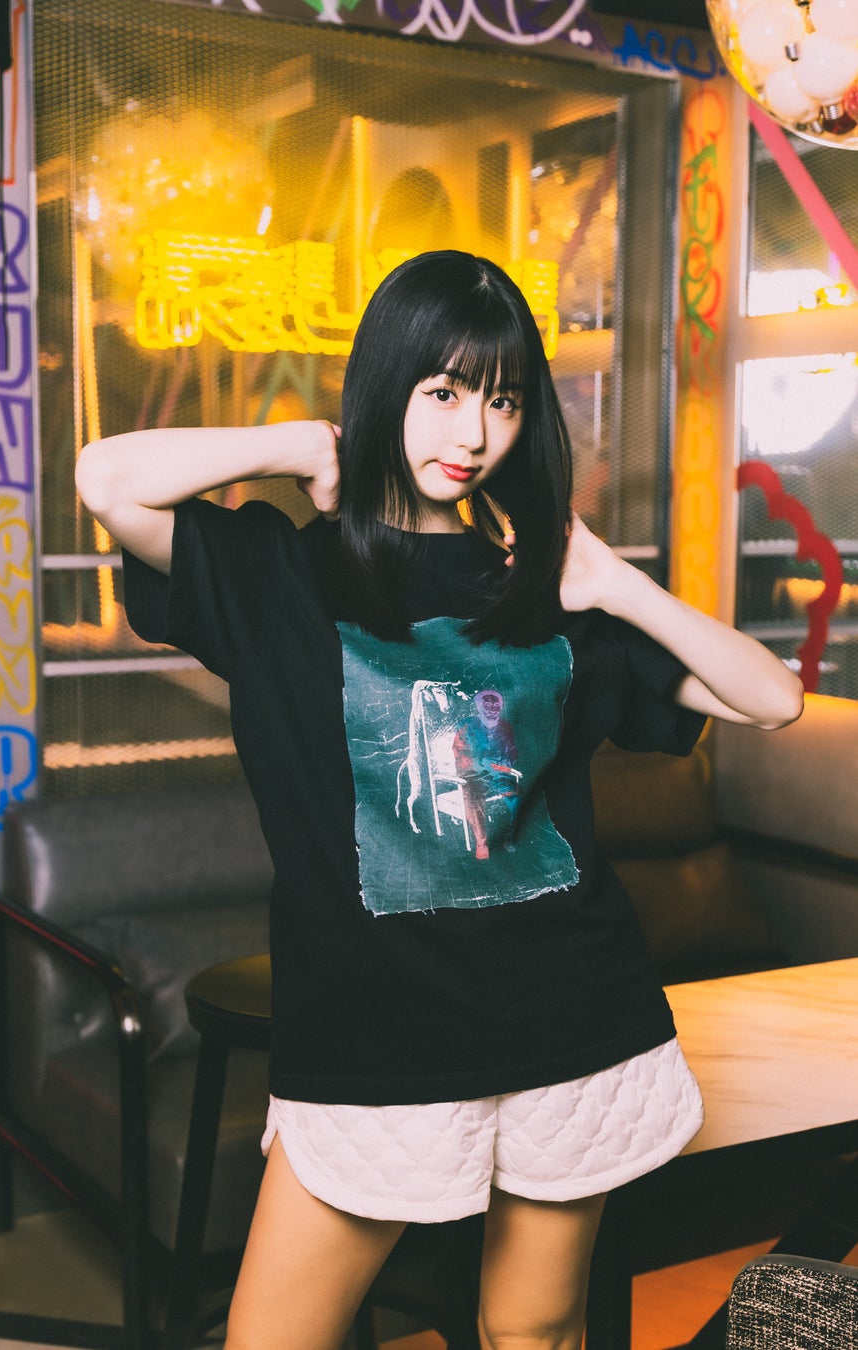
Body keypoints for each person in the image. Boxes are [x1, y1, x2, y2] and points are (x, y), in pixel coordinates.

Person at [76, 250, 803, 1350]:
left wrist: (614, 583)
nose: (474, 435)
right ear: (388, 385)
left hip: (569, 1022)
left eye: (503, 402)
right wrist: (300, 447)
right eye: (445, 392)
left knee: (532, 1331)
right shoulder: (284, 576)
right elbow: (106, 479)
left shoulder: (549, 592)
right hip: (371, 1042)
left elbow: (773, 698)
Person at [452, 688, 521, 859]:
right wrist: (481, 762)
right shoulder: (466, 726)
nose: (492, 710)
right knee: (473, 801)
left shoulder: (506, 726)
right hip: (473, 776)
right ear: (479, 708)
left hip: (499, 774)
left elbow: (512, 752)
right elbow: (459, 754)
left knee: (516, 797)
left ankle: (510, 837)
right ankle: (481, 843)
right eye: (487, 706)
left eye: (496, 706)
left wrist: (503, 764)